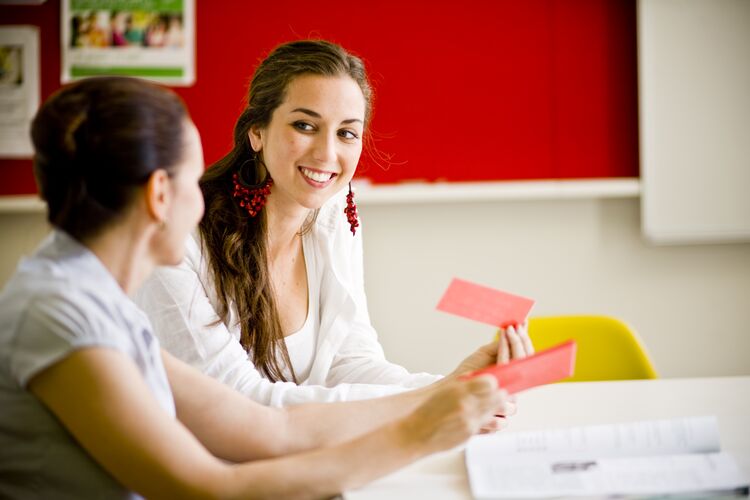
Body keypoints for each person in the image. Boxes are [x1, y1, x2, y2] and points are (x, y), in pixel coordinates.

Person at [0, 76, 509, 498]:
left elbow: (269, 428)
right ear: (160, 195)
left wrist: (443, 393)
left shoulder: (96, 302)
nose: (205, 203)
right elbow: (211, 489)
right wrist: (416, 435)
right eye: (194, 180)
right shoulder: (60, 313)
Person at [135, 39, 534, 406]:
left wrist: (455, 385)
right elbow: (235, 403)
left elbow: (350, 360)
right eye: (305, 126)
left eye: (346, 133)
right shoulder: (178, 241)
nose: (327, 154)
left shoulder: (332, 214)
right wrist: (434, 400)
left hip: (305, 454)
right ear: (257, 131)